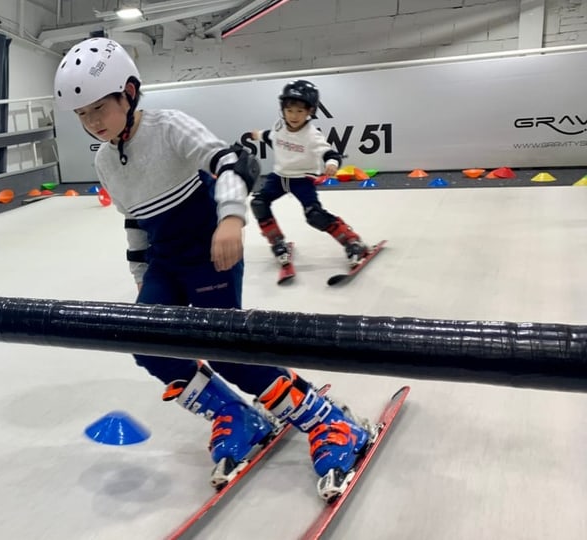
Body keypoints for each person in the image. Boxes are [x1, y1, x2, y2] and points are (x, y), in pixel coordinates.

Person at [53, 38, 370, 499]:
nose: (92, 122)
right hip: (166, 263)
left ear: (129, 92)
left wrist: (230, 218)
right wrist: (144, 284)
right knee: (148, 346)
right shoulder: (105, 159)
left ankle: (333, 423)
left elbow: (232, 162)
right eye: (81, 115)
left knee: (226, 351)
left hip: (211, 255)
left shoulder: (168, 127)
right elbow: (135, 220)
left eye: (99, 107)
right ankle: (236, 416)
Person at [248, 79, 371, 270]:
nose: (294, 116)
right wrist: (257, 135)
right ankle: (277, 243)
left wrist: (331, 163)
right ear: (283, 110)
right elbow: (271, 136)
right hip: (279, 177)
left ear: (310, 111)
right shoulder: (280, 126)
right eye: (289, 110)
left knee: (314, 215)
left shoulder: (312, 135)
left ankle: (352, 242)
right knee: (258, 203)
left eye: (300, 111)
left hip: (302, 179)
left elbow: (330, 153)